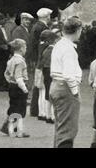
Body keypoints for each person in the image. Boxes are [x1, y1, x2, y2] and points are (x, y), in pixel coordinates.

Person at [50, 17, 83, 148]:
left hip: (56, 86)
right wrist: (75, 92)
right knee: (68, 132)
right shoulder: (69, 49)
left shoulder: (59, 44)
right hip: (65, 90)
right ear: (78, 30)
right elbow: (68, 75)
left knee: (60, 129)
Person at [2, 39, 30, 138]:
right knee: (21, 111)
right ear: (21, 49)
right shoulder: (20, 61)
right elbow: (19, 77)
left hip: (12, 87)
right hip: (19, 87)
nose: (26, 49)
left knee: (13, 108)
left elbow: (6, 74)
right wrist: (24, 89)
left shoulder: (11, 60)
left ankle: (9, 129)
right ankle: (19, 131)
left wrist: (10, 81)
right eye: (25, 47)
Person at [29, 8, 52, 117]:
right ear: (46, 17)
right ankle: (37, 110)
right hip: (41, 60)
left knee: (38, 84)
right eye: (49, 16)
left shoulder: (36, 27)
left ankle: (35, 109)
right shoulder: (42, 28)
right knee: (41, 86)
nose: (50, 17)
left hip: (37, 59)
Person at [36, 30, 59, 124]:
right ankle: (51, 116)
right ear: (53, 41)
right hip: (51, 72)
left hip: (45, 71)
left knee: (46, 95)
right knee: (51, 95)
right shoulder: (53, 50)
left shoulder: (45, 49)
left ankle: (46, 115)